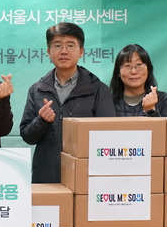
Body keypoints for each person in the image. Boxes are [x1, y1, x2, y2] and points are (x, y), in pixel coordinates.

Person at [20, 22, 115, 183]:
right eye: (57, 45)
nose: (64, 51)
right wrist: (41, 121)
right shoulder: (37, 90)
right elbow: (27, 136)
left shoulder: (98, 90)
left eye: (70, 45)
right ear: (48, 52)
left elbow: (109, 136)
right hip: (46, 176)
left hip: (86, 177)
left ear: (81, 51)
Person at [109, 44, 167, 117]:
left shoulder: (164, 99)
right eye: (127, 66)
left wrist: (150, 110)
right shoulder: (108, 102)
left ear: (148, 70)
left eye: (139, 65)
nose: (134, 71)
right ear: (118, 72)